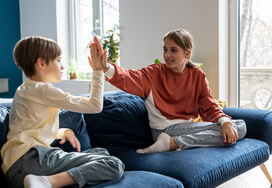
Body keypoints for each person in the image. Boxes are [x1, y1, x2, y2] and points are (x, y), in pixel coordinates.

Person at [0, 36, 125, 188]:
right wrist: (97, 71)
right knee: (113, 164)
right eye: (58, 60)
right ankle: (46, 184)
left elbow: (28, 125)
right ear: (42, 63)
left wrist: (62, 131)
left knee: (101, 153)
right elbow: (95, 105)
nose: (63, 66)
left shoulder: (23, 90)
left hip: (15, 173)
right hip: (32, 159)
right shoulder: (43, 89)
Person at [96, 29, 246, 154]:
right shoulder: (154, 73)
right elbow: (129, 77)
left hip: (185, 129)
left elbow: (209, 105)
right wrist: (106, 68)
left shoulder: (197, 75)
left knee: (239, 126)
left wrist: (225, 121)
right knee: (238, 127)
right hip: (162, 131)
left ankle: (173, 144)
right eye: (165, 49)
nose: (167, 55)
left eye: (173, 50)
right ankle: (168, 143)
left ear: (187, 53)